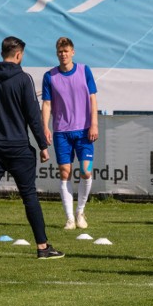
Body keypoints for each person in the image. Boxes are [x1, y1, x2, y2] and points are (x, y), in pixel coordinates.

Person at [0, 36, 64, 260]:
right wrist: (42, 145)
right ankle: (42, 247)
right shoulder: (23, 79)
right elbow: (32, 115)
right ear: (18, 55)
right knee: (29, 195)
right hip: (19, 146)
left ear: (2, 53)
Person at [41, 36, 99, 230]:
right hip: (61, 133)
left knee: (86, 170)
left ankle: (80, 211)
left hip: (84, 131)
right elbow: (47, 104)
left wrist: (94, 124)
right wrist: (45, 127)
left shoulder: (84, 70)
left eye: (66, 51)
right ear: (56, 53)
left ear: (72, 52)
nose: (63, 54)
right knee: (65, 172)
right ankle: (69, 218)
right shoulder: (50, 76)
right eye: (60, 51)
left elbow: (92, 98)